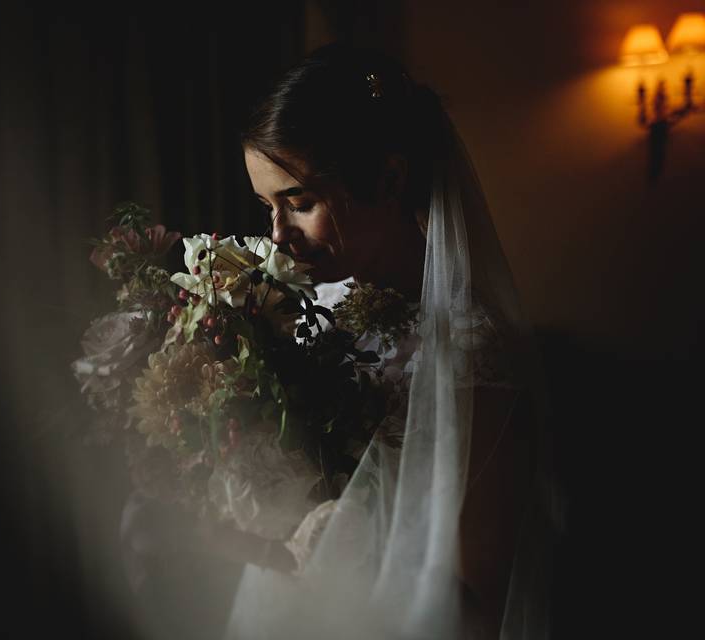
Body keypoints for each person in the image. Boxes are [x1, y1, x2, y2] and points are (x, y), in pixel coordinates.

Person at [121, 42, 563, 640]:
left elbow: (470, 599)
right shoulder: (302, 312)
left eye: (299, 203)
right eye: (266, 206)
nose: (278, 235)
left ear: (388, 178)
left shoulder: (470, 355)